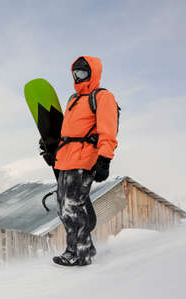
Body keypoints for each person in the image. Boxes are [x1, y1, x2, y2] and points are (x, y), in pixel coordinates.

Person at [41, 56, 119, 266]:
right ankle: (76, 249)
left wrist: (105, 159)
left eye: (83, 72)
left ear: (93, 73)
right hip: (66, 158)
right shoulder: (72, 100)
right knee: (62, 207)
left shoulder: (102, 97)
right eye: (75, 73)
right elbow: (66, 131)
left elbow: (108, 130)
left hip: (85, 159)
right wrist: (51, 149)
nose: (78, 76)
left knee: (71, 206)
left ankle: (81, 253)